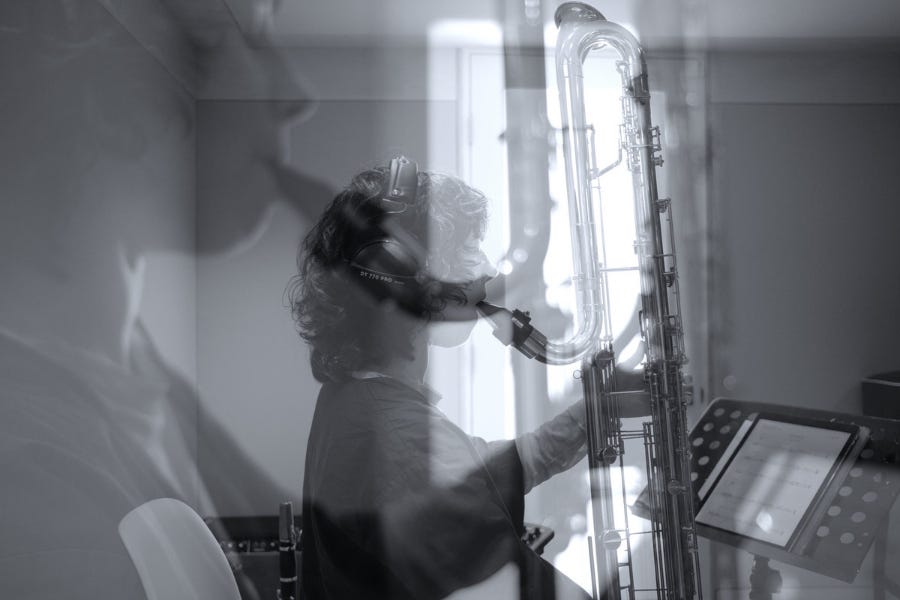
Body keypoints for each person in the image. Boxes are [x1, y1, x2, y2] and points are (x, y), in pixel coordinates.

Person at [289, 158, 594, 599]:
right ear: (401, 280)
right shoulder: (397, 438)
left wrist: (587, 418)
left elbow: (466, 474)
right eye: (468, 252)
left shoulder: (355, 399)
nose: (487, 270)